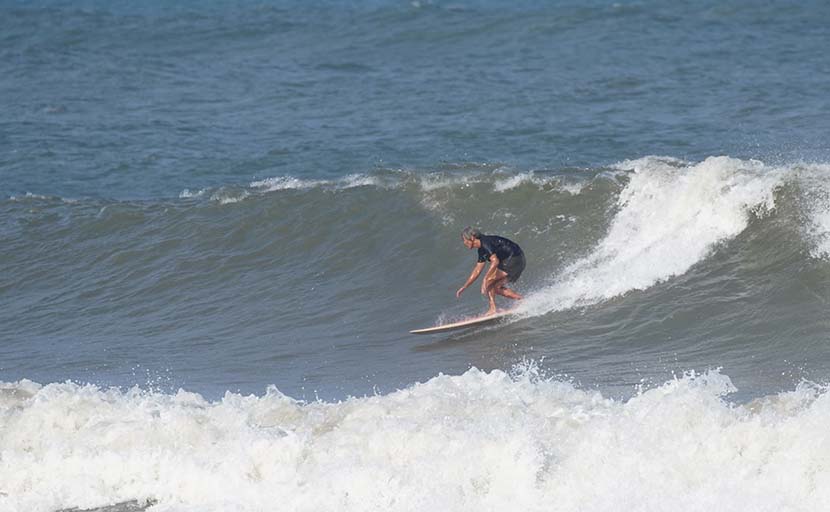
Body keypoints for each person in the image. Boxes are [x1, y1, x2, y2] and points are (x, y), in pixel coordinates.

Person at [456, 227, 525, 315]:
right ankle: (522, 300)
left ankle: (493, 308)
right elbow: (477, 270)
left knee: (489, 281)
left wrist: (486, 278)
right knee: (496, 287)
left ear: (472, 237)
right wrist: (465, 286)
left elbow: (495, 261)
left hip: (514, 259)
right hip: (517, 261)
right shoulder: (481, 250)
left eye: (464, 240)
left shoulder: (486, 242)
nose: (464, 243)